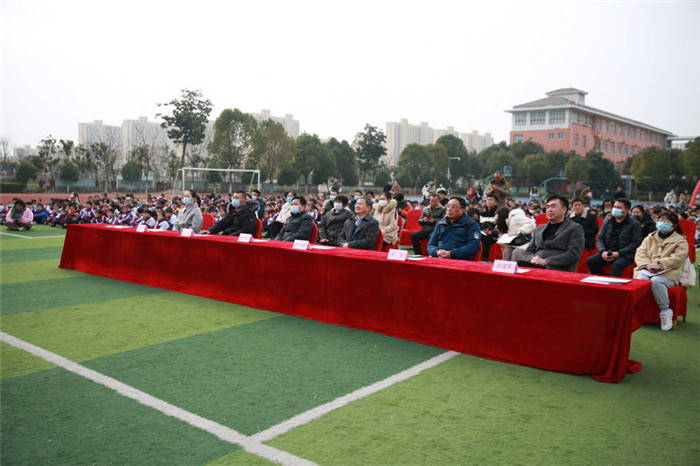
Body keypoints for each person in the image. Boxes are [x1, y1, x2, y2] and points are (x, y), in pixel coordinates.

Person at [634, 212, 688, 331]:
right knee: (642, 279)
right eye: (660, 220)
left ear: (673, 226)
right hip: (647, 269)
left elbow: (678, 258)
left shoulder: (680, 241)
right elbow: (640, 252)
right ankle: (637, 312)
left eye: (667, 222)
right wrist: (646, 265)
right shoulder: (650, 237)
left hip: (669, 273)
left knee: (656, 281)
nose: (662, 223)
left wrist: (660, 264)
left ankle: (665, 311)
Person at [518, 195, 584, 272]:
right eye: (548, 207)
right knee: (516, 266)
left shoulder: (574, 228)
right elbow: (528, 251)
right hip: (535, 264)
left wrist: (546, 261)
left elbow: (573, 254)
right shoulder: (539, 229)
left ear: (564, 209)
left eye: (553, 206)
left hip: (557, 268)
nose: (549, 210)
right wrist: (532, 258)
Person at [586, 199, 642, 276]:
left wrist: (619, 253)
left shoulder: (634, 224)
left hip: (625, 255)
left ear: (627, 210)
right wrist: (603, 251)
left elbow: (636, 243)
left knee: (617, 265)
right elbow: (600, 238)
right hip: (608, 252)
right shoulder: (608, 221)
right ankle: (602, 279)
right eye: (614, 207)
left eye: (619, 207)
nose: (615, 209)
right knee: (591, 261)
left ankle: (612, 285)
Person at [480, 194, 499, 259]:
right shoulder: (482, 214)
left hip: (494, 234)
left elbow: (500, 227)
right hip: (483, 232)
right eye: (487, 200)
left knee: (486, 238)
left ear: (496, 202)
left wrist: (492, 232)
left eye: (491, 200)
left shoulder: (498, 213)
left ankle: (484, 258)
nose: (488, 201)